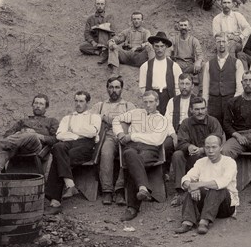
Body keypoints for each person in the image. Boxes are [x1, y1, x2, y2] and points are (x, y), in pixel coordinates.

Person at [113, 91, 175, 221]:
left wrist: (133, 136)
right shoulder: (135, 113)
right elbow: (116, 119)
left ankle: (132, 208)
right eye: (145, 102)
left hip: (150, 151)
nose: (148, 105)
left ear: (157, 102)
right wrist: (119, 134)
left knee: (132, 162)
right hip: (132, 149)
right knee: (129, 153)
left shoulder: (162, 120)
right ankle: (143, 188)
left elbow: (156, 140)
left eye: (151, 102)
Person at [45, 91, 102, 215]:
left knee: (59, 159)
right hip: (68, 143)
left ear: (87, 103)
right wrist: (78, 135)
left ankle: (55, 201)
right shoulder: (67, 118)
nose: (78, 104)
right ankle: (69, 183)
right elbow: (59, 135)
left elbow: (92, 132)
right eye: (76, 101)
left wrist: (72, 132)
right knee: (57, 147)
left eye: (81, 101)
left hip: (86, 146)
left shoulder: (94, 117)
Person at [174, 135, 239, 235]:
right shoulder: (201, 162)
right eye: (207, 147)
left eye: (214, 147)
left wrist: (198, 185)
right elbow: (186, 178)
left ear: (221, 147)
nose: (210, 151)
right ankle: (187, 221)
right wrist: (192, 187)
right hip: (206, 204)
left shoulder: (229, 162)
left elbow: (222, 182)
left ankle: (204, 222)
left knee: (217, 188)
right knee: (191, 190)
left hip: (225, 206)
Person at [170, 97, 224, 207]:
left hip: (208, 158)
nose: (200, 112)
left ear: (206, 109)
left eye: (203, 109)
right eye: (197, 109)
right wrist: (188, 146)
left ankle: (201, 189)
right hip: (190, 157)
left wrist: (203, 149)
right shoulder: (185, 123)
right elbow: (180, 142)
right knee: (177, 155)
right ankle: (180, 192)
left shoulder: (213, 122)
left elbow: (218, 141)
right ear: (191, 110)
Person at [90, 76, 136, 206]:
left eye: (117, 87)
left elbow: (136, 122)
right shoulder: (100, 106)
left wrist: (109, 119)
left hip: (125, 137)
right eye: (111, 87)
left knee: (127, 154)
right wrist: (102, 117)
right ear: (107, 89)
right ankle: (107, 191)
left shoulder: (129, 105)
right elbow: (89, 118)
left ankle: (120, 190)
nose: (114, 90)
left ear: (122, 89)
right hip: (108, 136)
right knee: (106, 153)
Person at [0, 94, 59, 173]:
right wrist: (23, 132)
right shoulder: (23, 121)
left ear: (46, 107)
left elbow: (55, 139)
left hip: (36, 147)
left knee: (31, 135)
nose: (38, 106)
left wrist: (37, 135)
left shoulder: (51, 121)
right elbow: (7, 134)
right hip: (18, 147)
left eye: (41, 104)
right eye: (36, 103)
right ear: (32, 105)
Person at [202, 32, 243, 125]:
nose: (221, 44)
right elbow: (205, 87)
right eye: (218, 41)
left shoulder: (237, 63)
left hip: (229, 101)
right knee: (214, 129)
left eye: (223, 41)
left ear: (228, 43)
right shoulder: (209, 64)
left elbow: (240, 87)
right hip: (213, 103)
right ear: (215, 44)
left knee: (230, 128)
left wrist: (234, 103)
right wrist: (205, 104)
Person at [138, 31, 182, 115]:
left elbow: (178, 86)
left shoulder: (174, 66)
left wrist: (174, 100)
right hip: (152, 98)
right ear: (153, 47)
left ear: (166, 47)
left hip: (168, 96)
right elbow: (142, 86)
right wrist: (149, 99)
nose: (159, 49)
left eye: (162, 46)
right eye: (157, 46)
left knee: (168, 121)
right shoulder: (145, 66)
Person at [212, 0, 251, 66]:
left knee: (232, 44)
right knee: (230, 44)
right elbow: (217, 35)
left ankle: (231, 66)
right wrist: (230, 36)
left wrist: (240, 36)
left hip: (237, 44)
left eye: (228, 2)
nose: (226, 5)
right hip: (223, 43)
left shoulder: (237, 15)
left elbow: (248, 28)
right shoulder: (217, 19)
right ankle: (232, 66)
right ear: (221, 4)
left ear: (232, 4)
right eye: (224, 2)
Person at [170, 19, 203, 86]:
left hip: (190, 65)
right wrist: (172, 63)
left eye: (185, 25)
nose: (183, 27)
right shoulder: (173, 39)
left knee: (203, 65)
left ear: (189, 27)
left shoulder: (194, 40)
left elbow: (200, 54)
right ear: (178, 27)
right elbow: (167, 53)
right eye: (181, 25)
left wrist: (198, 62)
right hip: (177, 64)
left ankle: (201, 90)